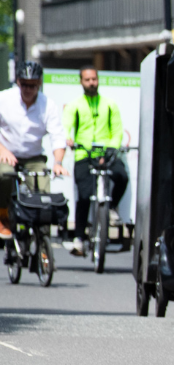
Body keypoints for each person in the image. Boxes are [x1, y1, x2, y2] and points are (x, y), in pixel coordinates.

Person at [62, 65, 130, 255]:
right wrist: (68, 138)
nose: (92, 83)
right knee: (84, 196)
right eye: (87, 80)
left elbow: (117, 130)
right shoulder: (75, 105)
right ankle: (79, 238)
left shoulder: (109, 104)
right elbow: (66, 126)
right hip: (83, 154)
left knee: (122, 176)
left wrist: (111, 149)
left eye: (94, 79)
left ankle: (112, 206)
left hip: (106, 153)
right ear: (81, 82)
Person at [0, 62, 68, 239]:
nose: (28, 89)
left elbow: (57, 136)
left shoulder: (48, 105)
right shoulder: (4, 99)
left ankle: (42, 237)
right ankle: (3, 215)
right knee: (4, 174)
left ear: (39, 83)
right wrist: (2, 150)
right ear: (18, 82)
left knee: (43, 193)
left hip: (33, 157)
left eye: (32, 85)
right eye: (24, 84)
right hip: (6, 154)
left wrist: (58, 162)